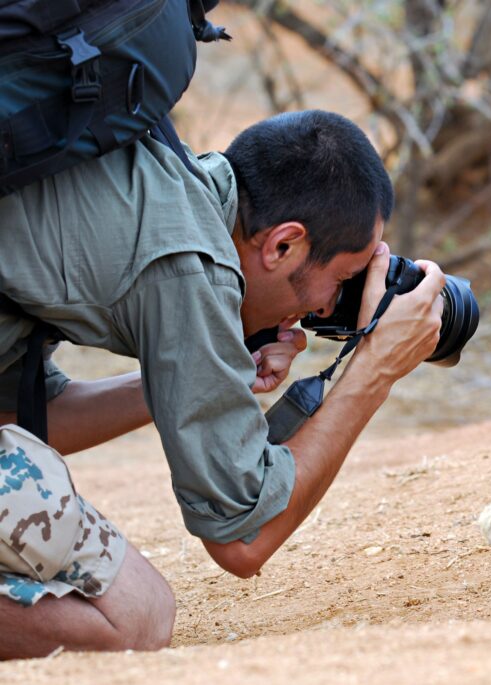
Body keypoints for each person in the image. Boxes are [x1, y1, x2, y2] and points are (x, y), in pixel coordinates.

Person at [0, 110, 445, 658]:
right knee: (134, 617)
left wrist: (177, 375)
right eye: (344, 281)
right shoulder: (194, 265)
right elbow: (241, 540)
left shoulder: (165, 178)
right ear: (283, 245)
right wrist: (375, 368)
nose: (330, 307)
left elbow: (17, 422)